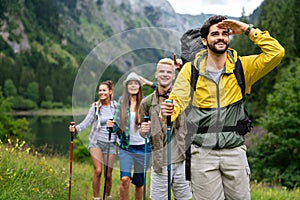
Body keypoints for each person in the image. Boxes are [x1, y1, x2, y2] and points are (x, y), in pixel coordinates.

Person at [161, 15, 285, 200]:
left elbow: (276, 53)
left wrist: (246, 29)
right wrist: (168, 112)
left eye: (225, 33)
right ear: (204, 40)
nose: (220, 37)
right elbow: (177, 100)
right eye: (215, 34)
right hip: (202, 152)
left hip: (234, 151)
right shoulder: (191, 70)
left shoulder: (242, 67)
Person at [139, 58, 192, 199]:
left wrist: (183, 68)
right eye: (161, 71)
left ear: (174, 75)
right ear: (156, 74)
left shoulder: (183, 98)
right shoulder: (147, 103)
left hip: (182, 160)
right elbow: (142, 132)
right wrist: (143, 130)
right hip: (160, 163)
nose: (165, 74)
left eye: (169, 72)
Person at [69, 80, 117, 200]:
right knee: (98, 171)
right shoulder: (95, 107)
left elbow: (122, 123)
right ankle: (96, 198)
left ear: (110, 92)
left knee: (108, 175)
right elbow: (86, 122)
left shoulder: (116, 106)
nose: (101, 92)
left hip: (111, 142)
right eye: (100, 90)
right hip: (96, 142)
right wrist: (75, 129)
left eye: (104, 90)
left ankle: (107, 196)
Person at [106, 72, 151, 200]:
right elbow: (115, 122)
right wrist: (111, 125)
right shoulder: (122, 101)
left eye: (136, 83)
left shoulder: (146, 101)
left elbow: (163, 91)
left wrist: (150, 83)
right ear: (127, 86)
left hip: (143, 148)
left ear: (139, 86)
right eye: (130, 83)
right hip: (126, 147)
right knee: (124, 180)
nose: (133, 85)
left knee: (139, 183)